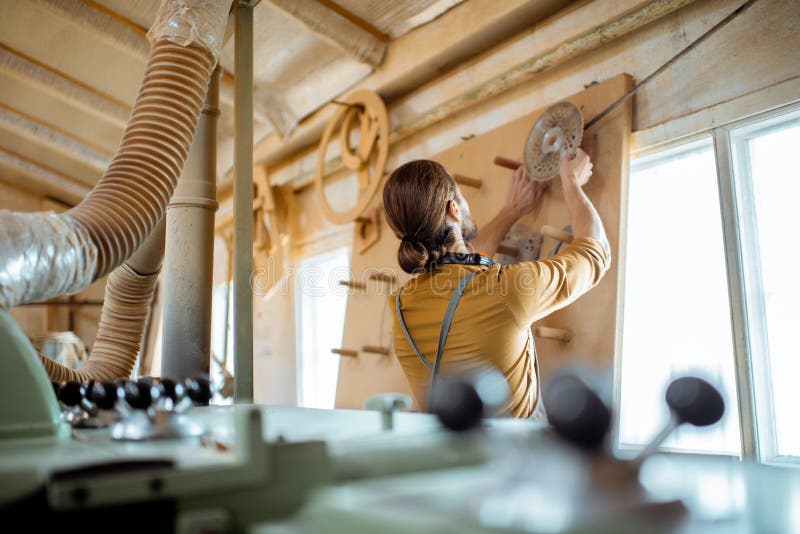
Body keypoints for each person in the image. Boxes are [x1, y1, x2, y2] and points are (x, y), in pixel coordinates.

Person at [383, 149, 610, 418]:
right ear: (453, 210)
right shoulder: (506, 289)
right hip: (514, 455)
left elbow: (461, 274)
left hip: (449, 455)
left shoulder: (399, 305)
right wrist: (572, 183)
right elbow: (594, 254)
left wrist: (512, 211)